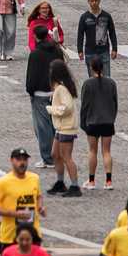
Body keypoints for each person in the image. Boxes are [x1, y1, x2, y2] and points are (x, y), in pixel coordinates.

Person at [82, 57, 120, 191]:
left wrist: (83, 122)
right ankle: (109, 181)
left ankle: (91, 181)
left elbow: (84, 105)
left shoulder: (87, 84)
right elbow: (115, 103)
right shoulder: (111, 83)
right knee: (106, 151)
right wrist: (112, 117)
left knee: (92, 151)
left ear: (91, 68)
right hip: (107, 121)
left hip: (92, 121)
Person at [49, 61, 84, 196]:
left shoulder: (61, 89)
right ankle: (60, 182)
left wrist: (52, 109)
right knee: (55, 154)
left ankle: (75, 186)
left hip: (66, 127)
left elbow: (67, 107)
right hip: (61, 127)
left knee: (66, 156)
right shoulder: (61, 87)